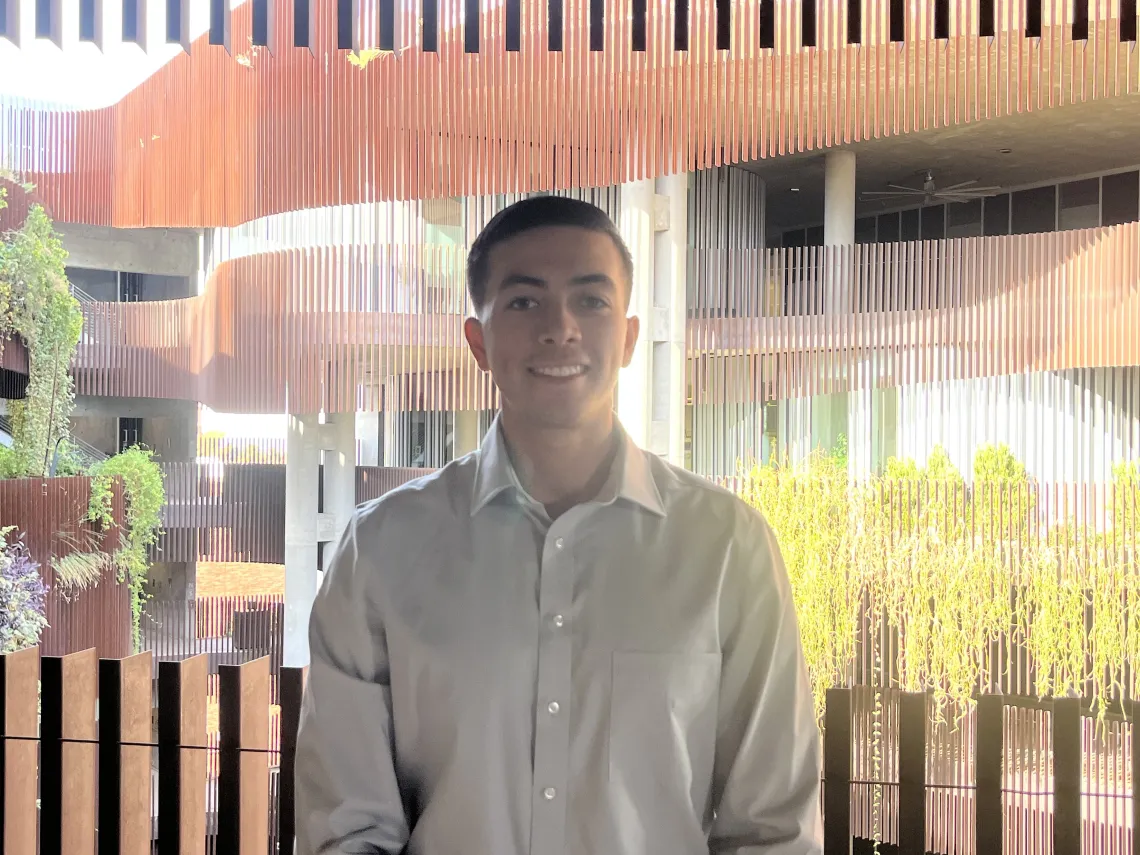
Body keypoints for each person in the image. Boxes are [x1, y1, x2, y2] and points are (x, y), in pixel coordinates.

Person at [294, 195, 823, 855]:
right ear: (478, 342)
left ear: (628, 338)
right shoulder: (380, 549)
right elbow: (347, 830)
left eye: (591, 300)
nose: (560, 327)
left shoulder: (727, 547)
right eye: (523, 301)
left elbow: (773, 830)